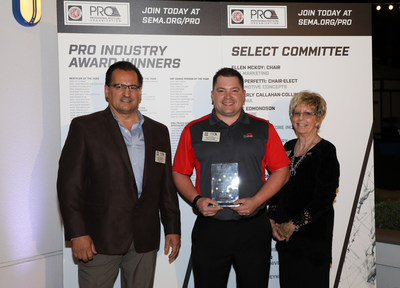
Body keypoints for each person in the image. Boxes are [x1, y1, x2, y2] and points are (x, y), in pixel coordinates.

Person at [57, 61, 181, 288]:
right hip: (98, 240)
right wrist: (78, 233)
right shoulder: (85, 127)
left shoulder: (158, 131)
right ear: (107, 91)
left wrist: (172, 228)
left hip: (145, 239)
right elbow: (69, 186)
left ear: (140, 92)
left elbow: (165, 186)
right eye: (119, 86)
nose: (126, 92)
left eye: (133, 87)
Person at [172, 67, 290, 288]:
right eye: (221, 90)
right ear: (212, 95)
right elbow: (179, 172)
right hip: (211, 229)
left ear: (243, 95)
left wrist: (255, 201)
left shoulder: (263, 128)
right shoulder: (193, 130)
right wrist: (197, 201)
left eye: (234, 90)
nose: (228, 97)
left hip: (253, 228)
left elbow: (281, 172)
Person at [268, 91, 340, 288]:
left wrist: (293, 225)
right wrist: (273, 221)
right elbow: (277, 188)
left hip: (312, 241)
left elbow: (324, 198)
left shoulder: (326, 150)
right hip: (286, 239)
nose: (300, 119)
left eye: (307, 113)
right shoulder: (288, 147)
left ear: (318, 118)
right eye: (296, 113)